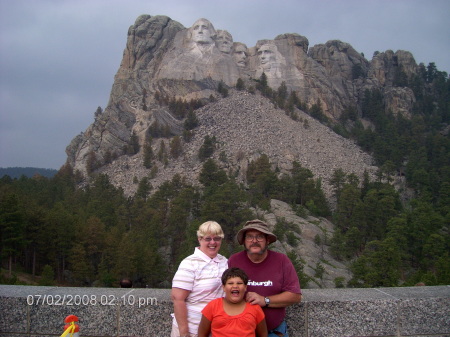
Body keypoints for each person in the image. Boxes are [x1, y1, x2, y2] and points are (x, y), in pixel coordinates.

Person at [228, 219, 301, 337]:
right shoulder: (234, 261)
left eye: (260, 237)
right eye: (250, 237)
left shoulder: (281, 261)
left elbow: (295, 296)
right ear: (244, 241)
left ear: (267, 240)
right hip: (241, 331)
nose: (254, 241)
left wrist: (265, 300)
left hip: (275, 332)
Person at [171, 221, 228, 337]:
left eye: (217, 238)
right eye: (208, 239)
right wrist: (184, 331)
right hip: (192, 329)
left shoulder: (224, 262)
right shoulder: (189, 263)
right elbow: (178, 299)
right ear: (199, 239)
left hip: (216, 330)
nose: (213, 242)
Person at [198, 267, 268, 337]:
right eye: (230, 283)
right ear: (224, 287)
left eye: (239, 283)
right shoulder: (213, 306)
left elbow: (263, 334)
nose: (235, 286)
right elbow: (202, 334)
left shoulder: (255, 308)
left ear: (245, 287)